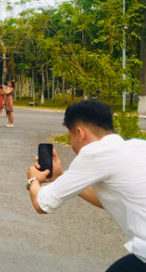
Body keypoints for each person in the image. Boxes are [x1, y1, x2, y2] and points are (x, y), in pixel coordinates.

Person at [26, 100, 146, 272]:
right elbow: (103, 200)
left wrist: (33, 180)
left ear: (80, 133)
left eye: (70, 137)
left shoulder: (94, 153)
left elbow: (41, 204)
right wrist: (61, 176)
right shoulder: (137, 146)